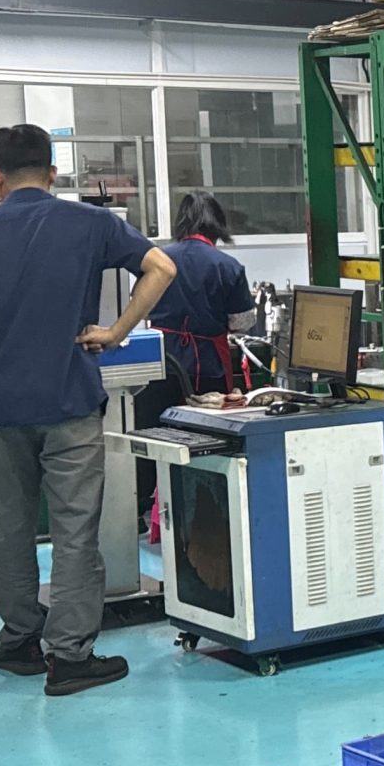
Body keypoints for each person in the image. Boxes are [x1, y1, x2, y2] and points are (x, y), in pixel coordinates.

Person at [0, 124, 177, 696]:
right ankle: (69, 657)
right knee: (74, 533)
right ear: (53, 173)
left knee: (9, 530)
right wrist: (116, 332)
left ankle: (18, 641)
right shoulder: (91, 223)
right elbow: (162, 268)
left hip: (0, 407)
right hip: (69, 401)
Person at [136, 191, 260, 521]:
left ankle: (145, 511)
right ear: (217, 224)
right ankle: (205, 515)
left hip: (159, 363)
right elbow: (242, 322)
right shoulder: (228, 266)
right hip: (208, 367)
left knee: (152, 438)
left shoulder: (158, 260)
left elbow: (140, 307)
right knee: (208, 441)